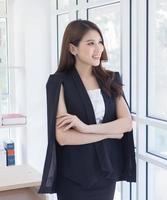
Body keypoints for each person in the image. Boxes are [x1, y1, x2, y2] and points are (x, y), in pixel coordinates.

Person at [38, 20, 136, 200]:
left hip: (106, 173)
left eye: (100, 42)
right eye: (90, 43)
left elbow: (127, 123)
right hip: (74, 177)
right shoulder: (58, 82)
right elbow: (64, 137)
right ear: (73, 48)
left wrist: (85, 128)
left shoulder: (111, 79)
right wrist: (111, 133)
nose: (98, 49)